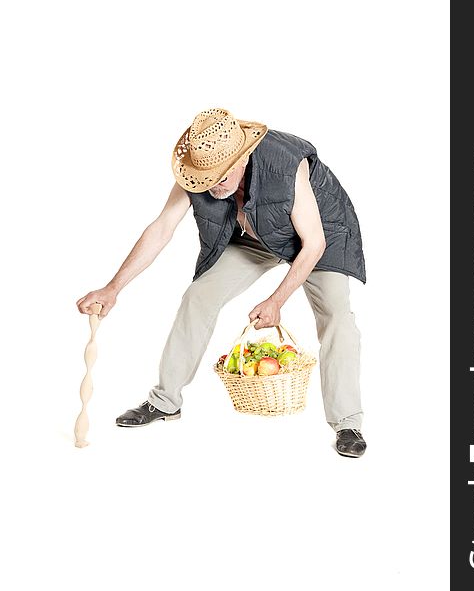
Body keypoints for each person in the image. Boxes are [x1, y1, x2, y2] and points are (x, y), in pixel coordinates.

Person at [76, 108, 367, 457]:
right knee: (198, 296)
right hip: (255, 235)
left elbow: (314, 244)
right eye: (206, 177)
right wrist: (112, 288)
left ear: (242, 157)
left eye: (221, 176)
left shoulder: (287, 163)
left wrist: (276, 300)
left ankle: (347, 422)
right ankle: (165, 402)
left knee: (337, 317)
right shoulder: (197, 169)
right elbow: (161, 229)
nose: (212, 185)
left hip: (319, 236)